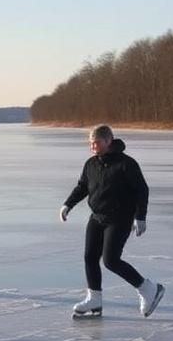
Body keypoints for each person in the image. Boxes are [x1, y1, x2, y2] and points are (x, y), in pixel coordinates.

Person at [60, 124, 164, 318]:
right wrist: (68, 204)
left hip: (120, 219)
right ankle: (94, 299)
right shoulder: (91, 164)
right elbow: (83, 187)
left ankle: (148, 289)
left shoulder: (126, 163)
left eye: (96, 143)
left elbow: (142, 190)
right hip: (97, 217)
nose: (92, 147)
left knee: (111, 260)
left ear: (108, 141)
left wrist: (140, 216)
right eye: (90, 143)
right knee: (90, 257)